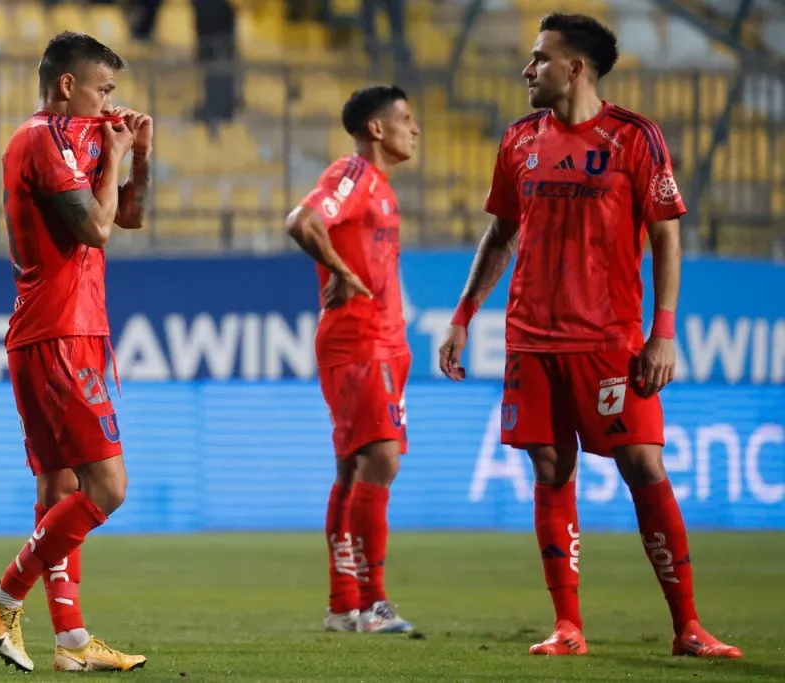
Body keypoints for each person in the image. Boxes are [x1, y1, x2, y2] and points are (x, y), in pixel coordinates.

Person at [437, 14, 742, 659]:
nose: (528, 70)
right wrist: (463, 316)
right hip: (531, 339)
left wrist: (663, 334)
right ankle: (567, 625)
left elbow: (666, 233)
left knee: (642, 465)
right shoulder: (519, 140)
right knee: (550, 469)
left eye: (539, 59)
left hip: (609, 339)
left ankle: (688, 626)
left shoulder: (635, 137)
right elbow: (500, 236)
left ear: (575, 67)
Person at [0, 31, 152, 673]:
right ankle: (3, 595)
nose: (110, 104)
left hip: (65, 332)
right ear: (67, 84)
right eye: (104, 89)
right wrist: (117, 156)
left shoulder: (79, 141)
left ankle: (70, 643)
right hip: (58, 334)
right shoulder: (41, 138)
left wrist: (140, 157)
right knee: (108, 486)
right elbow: (96, 228)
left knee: (59, 487)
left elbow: (129, 218)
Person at [285, 85, 420, 634]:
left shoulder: (381, 188)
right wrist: (340, 272)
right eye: (406, 119)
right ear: (377, 129)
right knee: (381, 459)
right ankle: (373, 603)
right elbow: (302, 220)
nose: (416, 129)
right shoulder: (356, 174)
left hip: (381, 339)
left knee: (355, 467)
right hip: (360, 339)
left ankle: (345, 605)